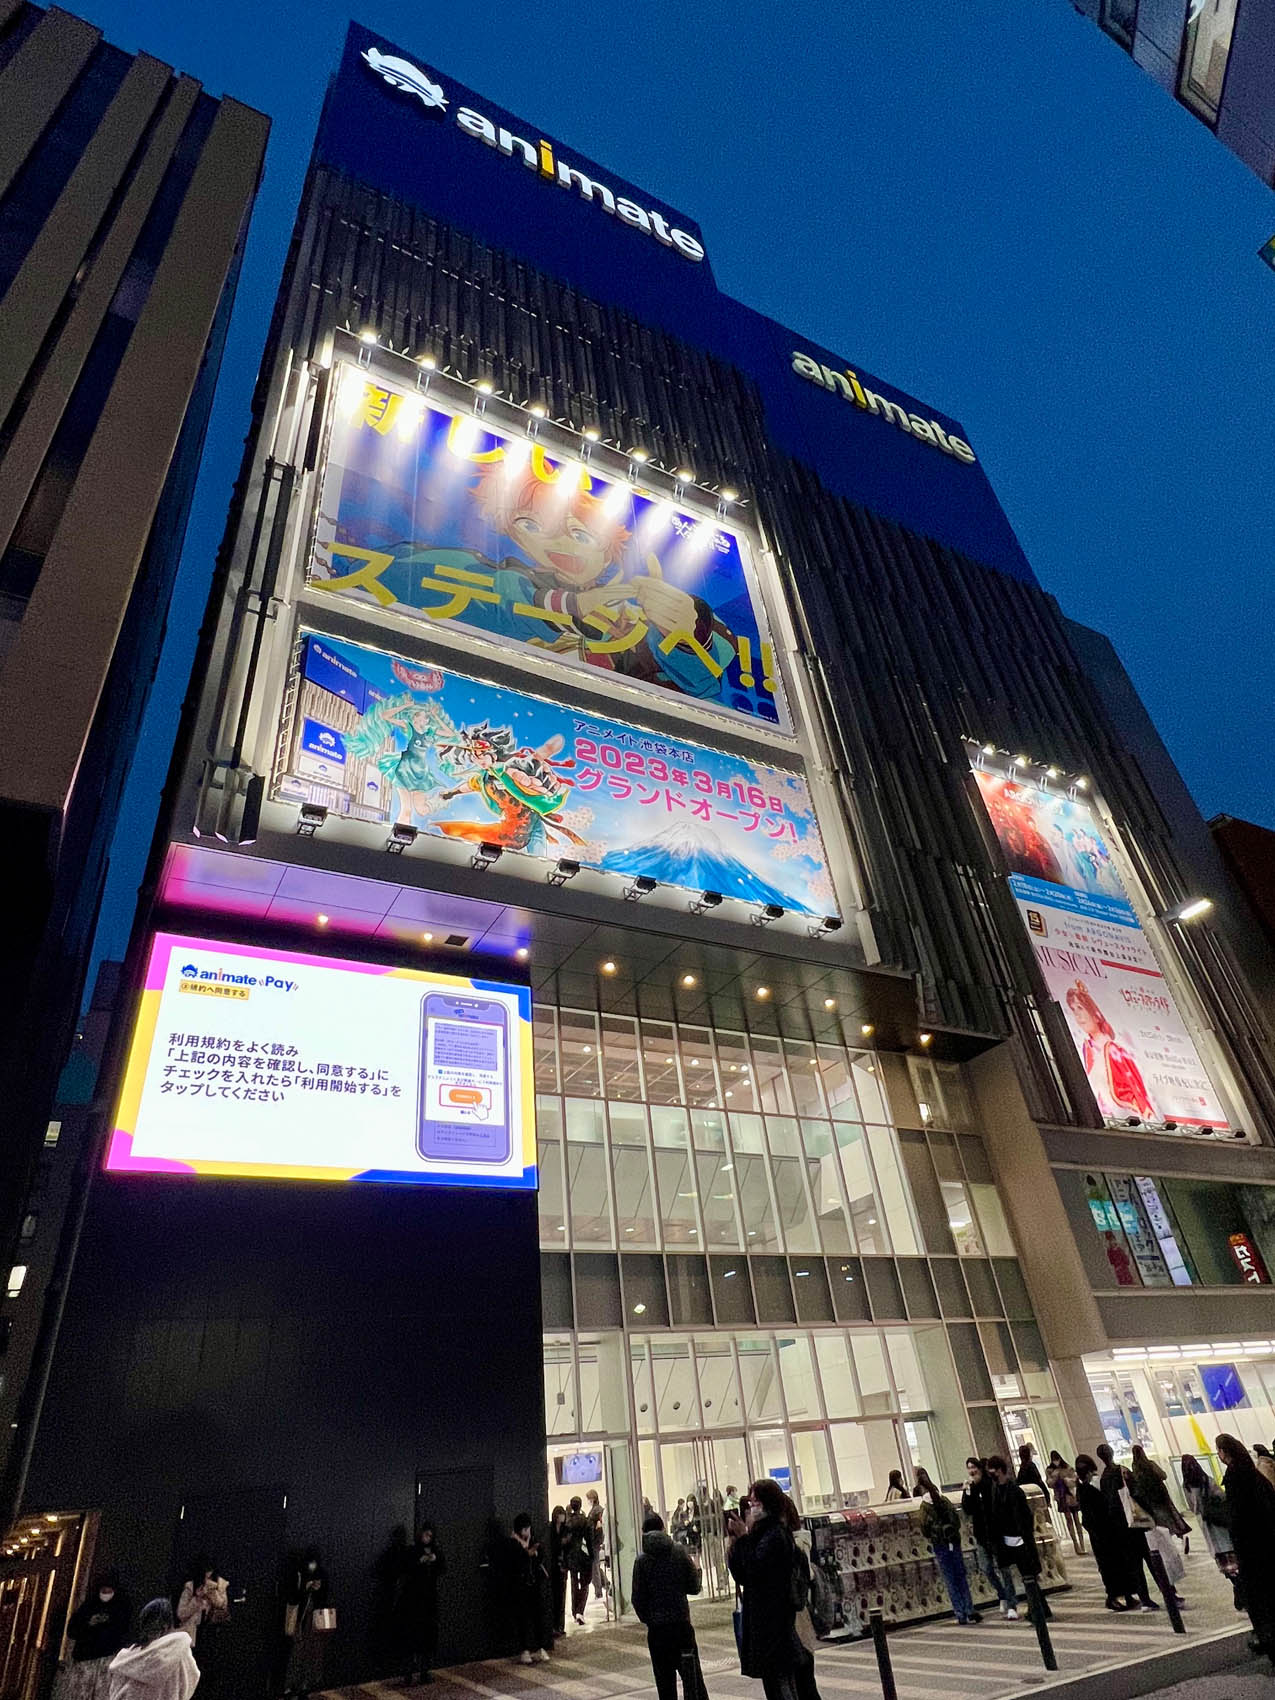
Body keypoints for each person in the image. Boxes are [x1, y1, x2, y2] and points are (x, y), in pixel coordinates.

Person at [726, 1478, 820, 1700]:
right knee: (778, 1684)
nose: (752, 1507)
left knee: (783, 1686)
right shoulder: (761, 1535)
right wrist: (737, 1543)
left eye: (755, 1502)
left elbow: (757, 1572)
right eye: (750, 1502)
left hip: (775, 1626)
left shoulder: (775, 1535)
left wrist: (743, 1538)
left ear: (768, 1503)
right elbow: (742, 1575)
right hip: (766, 1627)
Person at [631, 1513, 707, 1700]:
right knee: (693, 1681)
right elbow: (694, 1587)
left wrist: (649, 1619)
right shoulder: (679, 1552)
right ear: (663, 1528)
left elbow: (637, 1598)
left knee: (665, 1686)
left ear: (643, 1533)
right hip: (681, 1626)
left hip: (658, 1631)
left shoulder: (641, 1561)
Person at [1217, 1432, 1275, 1660]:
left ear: (1225, 1453)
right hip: (1268, 1544)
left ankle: (1268, 1640)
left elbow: (1238, 1518)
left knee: (1261, 1600)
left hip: (1252, 1550)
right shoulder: (1254, 1473)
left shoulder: (1234, 1478)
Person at [985, 1455, 1051, 1621]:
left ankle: (1038, 1608)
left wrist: (1024, 1535)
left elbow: (1024, 1517)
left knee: (1028, 1575)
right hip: (1007, 1540)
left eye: (992, 1470)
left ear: (999, 1470)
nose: (990, 1473)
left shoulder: (1014, 1490)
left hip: (1020, 1539)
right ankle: (1038, 1607)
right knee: (1026, 1576)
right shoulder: (995, 1490)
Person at [1096, 1444, 1157, 1611]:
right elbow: (1137, 1493)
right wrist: (1150, 1514)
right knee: (1151, 1559)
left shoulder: (1103, 1478)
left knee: (1135, 1564)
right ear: (1111, 1453)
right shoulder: (1122, 1471)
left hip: (1119, 1527)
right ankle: (1167, 1591)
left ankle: (1144, 1598)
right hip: (1135, 1523)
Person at [916, 1469, 980, 1626]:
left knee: (950, 1579)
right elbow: (956, 1521)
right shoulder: (944, 1500)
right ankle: (969, 1608)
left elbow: (924, 1529)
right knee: (961, 1576)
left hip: (940, 1545)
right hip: (954, 1542)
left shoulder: (924, 1507)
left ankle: (960, 1613)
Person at [1075, 1454, 1140, 1611]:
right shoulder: (1088, 1489)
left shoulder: (1084, 1489)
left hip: (1105, 1533)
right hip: (1103, 1534)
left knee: (1117, 1564)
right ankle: (1113, 1596)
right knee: (1110, 1566)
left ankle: (1126, 1595)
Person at [58, 1573, 133, 1700]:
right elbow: (72, 1631)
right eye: (103, 1590)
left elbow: (123, 1632)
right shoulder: (88, 1608)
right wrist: (89, 1623)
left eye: (109, 1590)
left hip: (107, 1661)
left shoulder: (121, 1610)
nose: (106, 1594)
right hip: (85, 1661)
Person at [106, 1600, 198, 1700]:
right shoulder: (182, 1654)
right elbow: (191, 1682)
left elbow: (115, 1692)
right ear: (167, 1626)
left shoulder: (126, 1660)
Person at [962, 1458, 1017, 1619]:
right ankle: (1003, 1594)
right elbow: (968, 1510)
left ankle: (1012, 1603)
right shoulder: (971, 1488)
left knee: (1004, 1569)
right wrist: (966, 1492)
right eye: (969, 1468)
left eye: (973, 1467)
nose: (972, 1471)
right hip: (981, 1536)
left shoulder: (989, 1484)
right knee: (986, 1568)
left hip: (996, 1534)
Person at [397, 1524, 445, 1686]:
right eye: (425, 1535)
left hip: (429, 1601)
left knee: (428, 1637)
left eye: (430, 1536)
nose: (427, 1538)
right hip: (413, 1600)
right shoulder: (412, 1551)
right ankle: (408, 1674)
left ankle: (424, 1672)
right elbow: (405, 1568)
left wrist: (435, 1559)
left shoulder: (435, 1551)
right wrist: (419, 1561)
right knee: (412, 1636)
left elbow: (443, 1568)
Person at [283, 1548, 330, 1700]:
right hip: (299, 1618)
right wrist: (306, 1588)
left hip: (315, 1618)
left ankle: (305, 1685)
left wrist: (318, 1590)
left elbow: (325, 1597)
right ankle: (290, 1687)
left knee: (312, 1653)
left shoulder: (322, 1574)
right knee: (296, 1652)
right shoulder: (298, 1573)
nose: (312, 1566)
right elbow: (292, 1596)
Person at [1181, 1455, 1235, 1584]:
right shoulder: (1206, 1480)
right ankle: (1236, 1570)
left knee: (1216, 1547)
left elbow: (1192, 1507)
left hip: (1205, 1522)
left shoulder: (1186, 1486)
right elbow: (1221, 1496)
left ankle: (1229, 1573)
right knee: (1227, 1543)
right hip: (1218, 1519)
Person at [509, 1514, 553, 1665]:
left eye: (528, 1528)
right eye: (524, 1529)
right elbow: (516, 1562)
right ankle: (524, 1650)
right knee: (523, 1618)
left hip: (534, 1585)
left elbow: (540, 1557)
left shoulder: (533, 1541)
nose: (527, 1532)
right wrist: (527, 1553)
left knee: (538, 1616)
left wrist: (535, 1553)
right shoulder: (513, 1543)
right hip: (520, 1587)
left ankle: (540, 1647)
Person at [174, 1561, 226, 1648]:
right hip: (193, 1633)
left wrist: (213, 1594)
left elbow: (222, 1606)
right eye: (205, 1577)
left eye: (210, 1577)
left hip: (213, 1633)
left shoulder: (220, 1585)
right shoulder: (190, 1587)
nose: (207, 1581)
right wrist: (197, 1599)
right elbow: (181, 1614)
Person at [1046, 1452, 1084, 1555]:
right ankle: (1076, 1545)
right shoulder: (1050, 1470)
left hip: (1071, 1494)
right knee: (1069, 1519)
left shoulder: (1067, 1467)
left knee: (1076, 1518)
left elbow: (1075, 1478)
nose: (1056, 1461)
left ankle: (1082, 1544)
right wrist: (1055, 1476)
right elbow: (1049, 1483)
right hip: (1062, 1496)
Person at [562, 1497, 593, 1625]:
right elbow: (589, 1539)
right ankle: (580, 1610)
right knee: (585, 1584)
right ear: (580, 1506)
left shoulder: (568, 1522)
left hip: (572, 1556)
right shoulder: (586, 1521)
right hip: (584, 1555)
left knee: (574, 1583)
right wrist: (592, 1555)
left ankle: (575, 1612)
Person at [547, 1506, 569, 1638]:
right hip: (553, 1567)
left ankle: (560, 1626)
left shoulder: (565, 1529)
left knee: (561, 1598)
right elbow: (552, 1545)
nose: (562, 1517)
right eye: (560, 1514)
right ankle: (553, 1626)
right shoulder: (550, 1529)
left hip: (562, 1566)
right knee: (554, 1597)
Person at [586, 1489, 606, 1600]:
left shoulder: (597, 1511)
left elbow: (598, 1526)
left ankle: (599, 1591)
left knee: (594, 1567)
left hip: (595, 1542)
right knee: (596, 1566)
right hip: (595, 1542)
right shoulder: (596, 1510)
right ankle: (606, 1585)